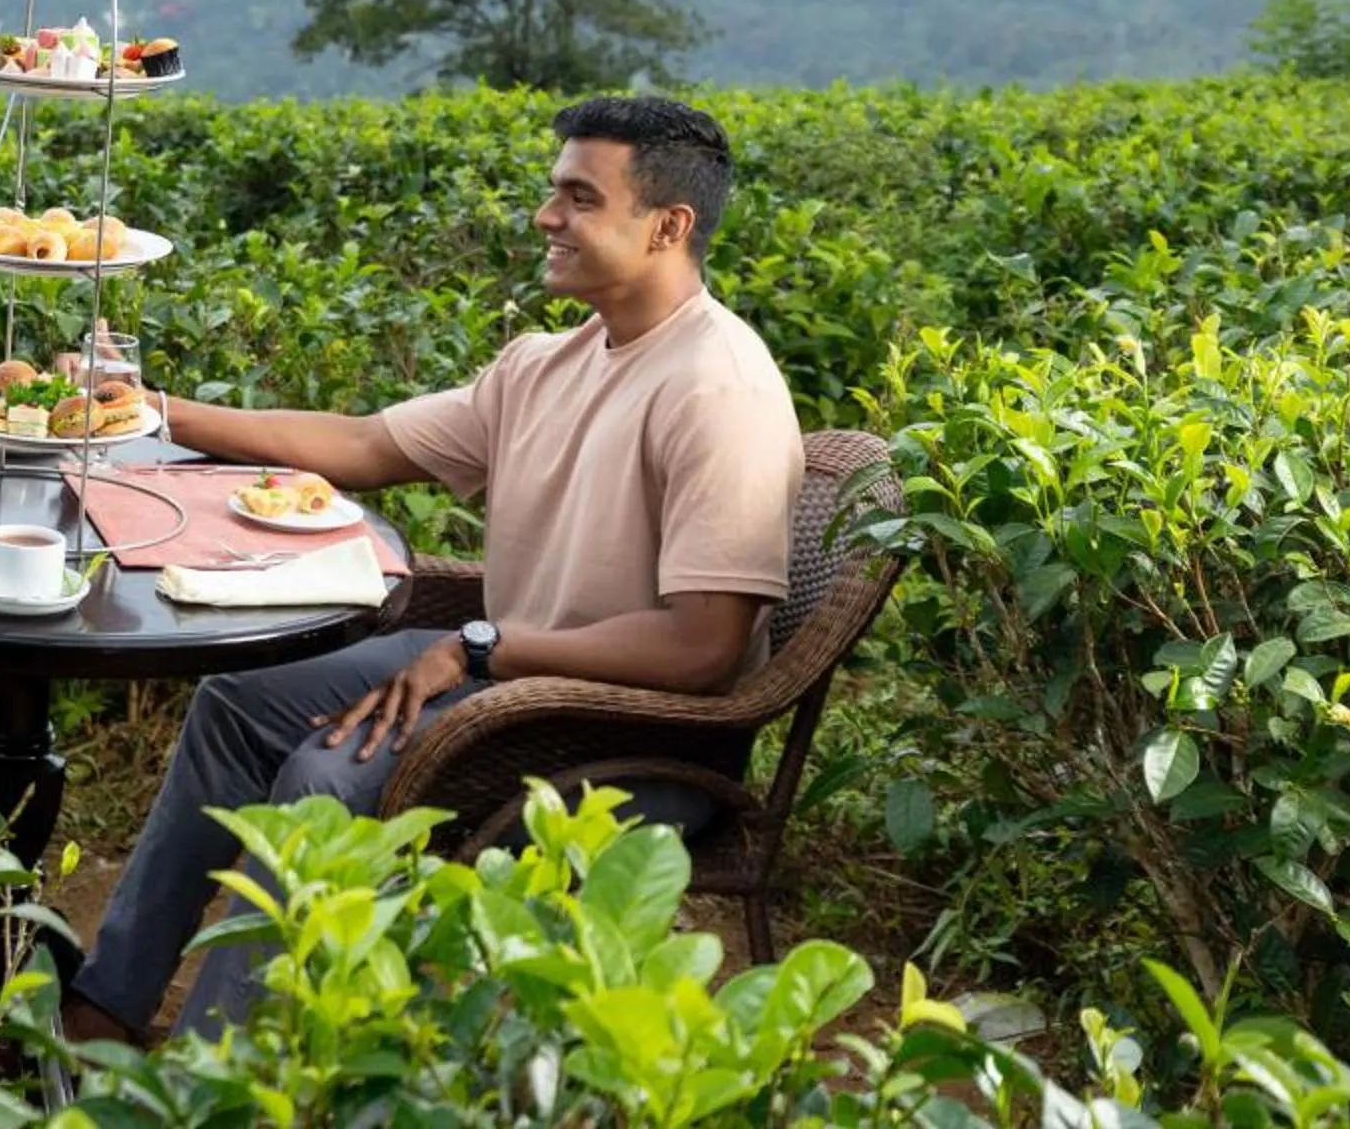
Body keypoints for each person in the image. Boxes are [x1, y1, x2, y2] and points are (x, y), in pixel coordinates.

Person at [64, 95, 805, 1043]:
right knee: (235, 702)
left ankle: (219, 1074)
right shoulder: (552, 361)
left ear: (669, 226)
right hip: (515, 674)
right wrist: (152, 409)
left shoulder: (718, 389)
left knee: (324, 776)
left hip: (631, 729)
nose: (547, 217)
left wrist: (481, 648)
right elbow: (368, 444)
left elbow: (705, 648)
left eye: (579, 198)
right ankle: (108, 1006)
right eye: (552, 192)